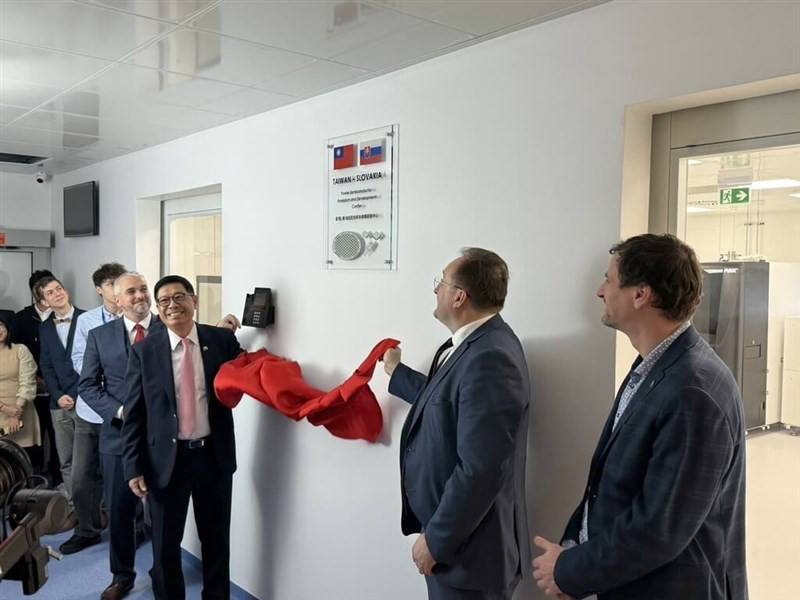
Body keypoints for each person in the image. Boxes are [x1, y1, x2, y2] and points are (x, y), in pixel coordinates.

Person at [532, 234, 747, 600]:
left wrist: (570, 570)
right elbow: (611, 489)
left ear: (641, 294)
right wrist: (574, 550)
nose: (600, 291)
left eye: (609, 280)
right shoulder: (657, 366)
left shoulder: (692, 391)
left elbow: (660, 528)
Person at [382, 247, 531, 600]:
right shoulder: (476, 345)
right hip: (460, 550)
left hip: (469, 554)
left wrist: (436, 540)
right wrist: (397, 374)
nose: (436, 289)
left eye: (441, 282)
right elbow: (449, 401)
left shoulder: (491, 357)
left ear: (460, 296)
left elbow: (481, 468)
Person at [121, 275, 242, 600]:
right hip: (165, 463)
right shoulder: (145, 351)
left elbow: (247, 371)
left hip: (212, 457)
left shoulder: (220, 341)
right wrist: (132, 467)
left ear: (194, 300)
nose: (173, 305)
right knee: (164, 544)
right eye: (164, 301)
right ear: (158, 310)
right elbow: (133, 413)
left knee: (216, 540)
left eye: (179, 297)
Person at [78, 269, 148, 600]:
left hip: (165, 440)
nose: (139, 296)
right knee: (120, 512)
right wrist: (120, 411)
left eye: (144, 289)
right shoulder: (100, 336)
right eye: (131, 292)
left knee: (164, 512)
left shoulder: (168, 330)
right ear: (117, 300)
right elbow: (88, 386)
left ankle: (164, 572)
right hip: (118, 438)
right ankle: (122, 575)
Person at [37, 276, 101, 554]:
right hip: (58, 403)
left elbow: (93, 362)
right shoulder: (44, 327)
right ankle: (76, 510)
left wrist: (75, 394)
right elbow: (46, 365)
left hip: (87, 401)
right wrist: (58, 394)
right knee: (67, 461)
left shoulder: (89, 318)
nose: (57, 294)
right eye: (50, 292)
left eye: (59, 288)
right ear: (44, 301)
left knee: (92, 462)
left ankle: (97, 512)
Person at [10, 269, 59, 482]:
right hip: (30, 385)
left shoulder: (63, 315)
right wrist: (35, 379)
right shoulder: (21, 318)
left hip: (58, 386)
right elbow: (16, 350)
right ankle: (35, 475)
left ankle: (57, 475)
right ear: (35, 292)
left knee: (57, 434)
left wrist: (52, 381)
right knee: (33, 435)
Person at [0, 313, 40, 459]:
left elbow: (28, 381)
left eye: (0, 325)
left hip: (22, 409)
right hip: (3, 410)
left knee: (23, 459)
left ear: (7, 328)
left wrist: (17, 411)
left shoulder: (20, 350)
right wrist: (6, 410)